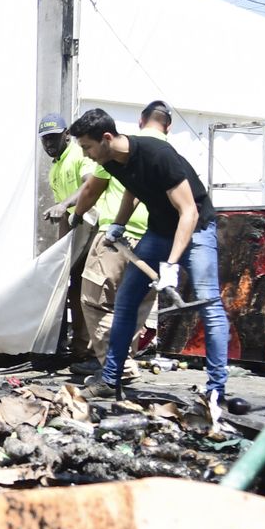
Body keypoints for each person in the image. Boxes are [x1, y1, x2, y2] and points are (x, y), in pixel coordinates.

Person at [67, 108, 232, 409]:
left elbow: (189, 212)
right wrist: (119, 222)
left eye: (87, 147)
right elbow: (134, 188)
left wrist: (170, 264)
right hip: (158, 230)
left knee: (209, 305)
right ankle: (110, 380)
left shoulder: (158, 155)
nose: (86, 155)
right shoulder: (112, 158)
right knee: (127, 300)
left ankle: (216, 390)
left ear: (106, 138)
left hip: (195, 231)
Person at [59, 102, 162, 375]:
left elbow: (91, 189)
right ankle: (122, 359)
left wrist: (77, 215)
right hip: (154, 238)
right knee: (134, 303)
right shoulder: (158, 150)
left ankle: (114, 365)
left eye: (87, 148)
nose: (87, 154)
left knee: (94, 300)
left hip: (116, 237)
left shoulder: (111, 155)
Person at [39, 112, 91, 358]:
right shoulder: (55, 169)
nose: (49, 144)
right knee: (70, 286)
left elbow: (90, 185)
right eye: (45, 140)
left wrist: (64, 205)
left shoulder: (79, 154)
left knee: (86, 288)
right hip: (74, 229)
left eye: (53, 138)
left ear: (66, 134)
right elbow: (63, 212)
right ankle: (76, 346)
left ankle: (86, 347)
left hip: (92, 225)